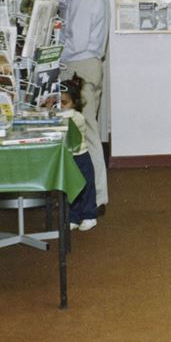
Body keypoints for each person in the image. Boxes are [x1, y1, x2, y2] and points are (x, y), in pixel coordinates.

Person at [52, 0, 110, 211]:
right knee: (83, 132)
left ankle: (97, 197)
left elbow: (78, 42)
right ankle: (90, 195)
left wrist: (53, 53)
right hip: (80, 65)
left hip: (81, 66)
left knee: (87, 133)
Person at [58, 75, 98, 232]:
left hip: (81, 157)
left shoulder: (77, 117)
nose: (60, 107)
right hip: (69, 158)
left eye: (64, 103)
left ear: (74, 103)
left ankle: (89, 215)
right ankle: (74, 216)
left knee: (86, 187)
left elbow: (66, 121)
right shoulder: (63, 115)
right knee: (71, 189)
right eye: (57, 102)